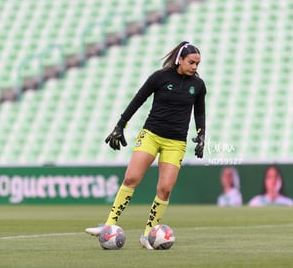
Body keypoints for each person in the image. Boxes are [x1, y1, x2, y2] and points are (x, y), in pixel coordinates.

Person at [85, 41, 206, 249]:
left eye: (197, 63)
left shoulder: (199, 85)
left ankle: (149, 234)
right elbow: (138, 99)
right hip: (151, 135)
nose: (195, 67)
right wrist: (120, 126)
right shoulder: (160, 77)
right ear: (180, 60)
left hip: (176, 142)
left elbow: (200, 112)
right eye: (191, 62)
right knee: (132, 178)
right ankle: (109, 225)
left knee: (165, 189)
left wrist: (202, 134)